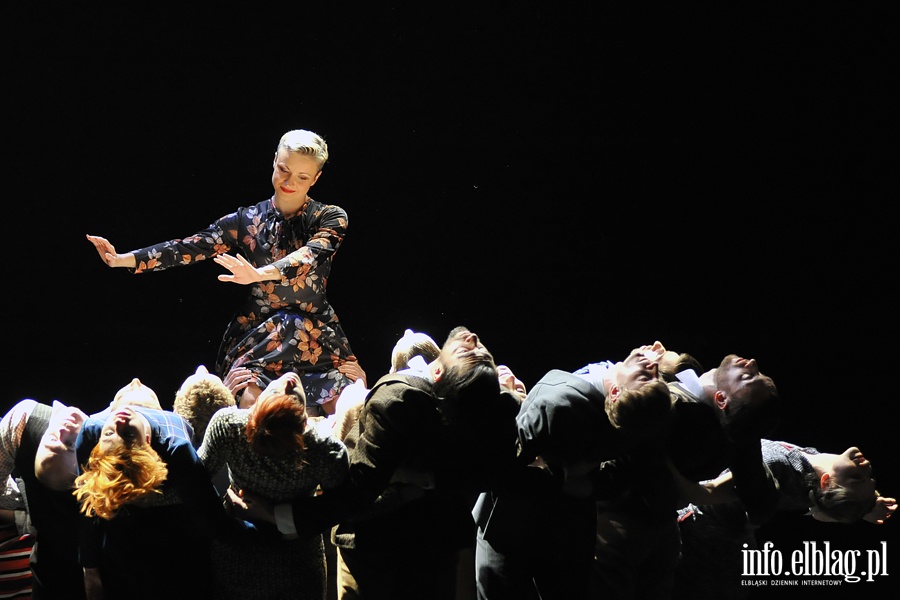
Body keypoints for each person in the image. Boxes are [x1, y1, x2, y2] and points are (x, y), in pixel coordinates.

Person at [230, 326, 522, 600]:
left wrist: (277, 515)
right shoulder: (496, 405)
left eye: (470, 353)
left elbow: (357, 490)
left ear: (439, 374)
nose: (471, 339)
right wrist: (428, 480)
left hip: (377, 551)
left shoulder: (397, 401)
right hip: (435, 549)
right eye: (478, 345)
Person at [86, 128, 359, 416]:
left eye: (303, 177)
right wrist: (123, 259)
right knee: (250, 404)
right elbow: (188, 247)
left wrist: (260, 273)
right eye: (283, 170)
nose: (289, 182)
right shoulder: (246, 221)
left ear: (315, 178)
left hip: (316, 333)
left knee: (344, 406)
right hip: (261, 334)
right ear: (275, 160)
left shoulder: (330, 217)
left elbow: (310, 256)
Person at [473, 348, 672, 600]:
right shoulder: (628, 410)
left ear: (616, 392)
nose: (651, 366)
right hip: (559, 532)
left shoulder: (561, 404)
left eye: (646, 377)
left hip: (516, 524)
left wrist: (505, 396)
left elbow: (505, 465)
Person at [674, 440, 896, 600]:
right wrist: (869, 505)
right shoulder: (818, 472)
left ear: (826, 482)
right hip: (730, 536)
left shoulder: (775, 467)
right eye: (870, 478)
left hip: (700, 528)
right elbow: (834, 503)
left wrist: (660, 461)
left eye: (857, 478)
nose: (866, 467)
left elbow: (704, 493)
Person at [198, 371, 349, 599]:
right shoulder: (324, 450)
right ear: (303, 425)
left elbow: (191, 482)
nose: (289, 383)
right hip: (298, 567)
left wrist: (222, 514)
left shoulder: (228, 428)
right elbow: (340, 507)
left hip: (237, 559)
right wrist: (278, 516)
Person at [73, 380, 230, 600]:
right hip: (126, 531)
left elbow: (209, 513)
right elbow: (88, 506)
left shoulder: (175, 447)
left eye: (113, 434)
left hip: (173, 526)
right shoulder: (92, 434)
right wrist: (90, 569)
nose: (118, 425)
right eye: (126, 434)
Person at [0, 399, 88, 599]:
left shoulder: (23, 421)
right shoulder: (23, 422)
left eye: (67, 443)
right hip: (53, 563)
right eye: (70, 444)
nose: (63, 432)